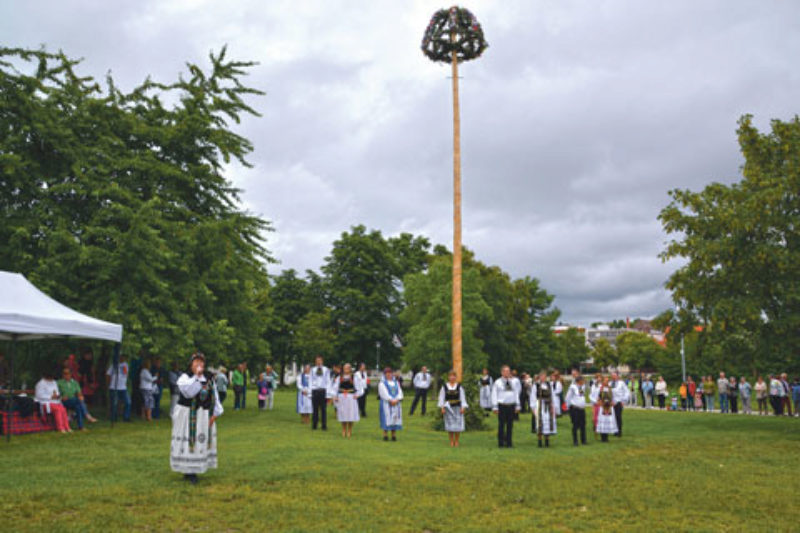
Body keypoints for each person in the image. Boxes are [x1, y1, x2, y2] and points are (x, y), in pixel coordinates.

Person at [170, 353, 223, 484]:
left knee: (200, 442)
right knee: (187, 441)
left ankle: (194, 468)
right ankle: (189, 471)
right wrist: (198, 377)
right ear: (191, 364)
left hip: (203, 415)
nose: (199, 364)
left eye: (201, 362)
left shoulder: (210, 378)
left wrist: (215, 414)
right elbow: (189, 392)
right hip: (187, 415)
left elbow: (214, 396)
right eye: (196, 362)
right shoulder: (185, 377)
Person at [491, 365, 520, 448]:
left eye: (508, 371)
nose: (507, 373)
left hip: (511, 405)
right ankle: (501, 442)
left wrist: (517, 405)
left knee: (510, 425)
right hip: (502, 405)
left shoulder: (513, 382)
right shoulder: (498, 382)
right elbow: (494, 394)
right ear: (502, 372)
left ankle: (509, 442)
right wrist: (495, 407)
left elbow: (516, 393)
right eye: (505, 371)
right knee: (501, 425)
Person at [330, 363, 363, 438]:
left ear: (350, 369)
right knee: (343, 414)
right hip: (342, 397)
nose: (346, 370)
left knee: (350, 414)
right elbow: (335, 388)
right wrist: (335, 396)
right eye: (345, 368)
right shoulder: (339, 377)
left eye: (348, 368)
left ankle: (350, 430)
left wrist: (357, 395)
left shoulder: (354, 377)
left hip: (351, 397)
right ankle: (344, 429)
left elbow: (359, 388)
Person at [438, 370, 468, 447]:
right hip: (448, 408)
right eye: (450, 376)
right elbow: (441, 398)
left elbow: (462, 397)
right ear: (448, 377)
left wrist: (463, 407)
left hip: (457, 407)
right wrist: (442, 407)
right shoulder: (444, 387)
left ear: (456, 377)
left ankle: (457, 441)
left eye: (453, 376)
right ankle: (451, 441)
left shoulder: (459, 387)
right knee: (450, 424)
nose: (452, 377)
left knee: (457, 424)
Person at [531, 371, 557, 448]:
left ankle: (547, 441)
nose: (543, 378)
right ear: (539, 377)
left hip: (548, 405)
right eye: (542, 376)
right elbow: (532, 396)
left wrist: (553, 406)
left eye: (544, 377)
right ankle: (539, 441)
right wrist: (533, 407)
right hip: (539, 405)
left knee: (548, 422)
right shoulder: (536, 385)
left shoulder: (549, 385)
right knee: (539, 423)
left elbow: (552, 395)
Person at [378, 367, 403, 441]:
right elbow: (383, 393)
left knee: (395, 418)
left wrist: (397, 399)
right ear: (385, 374)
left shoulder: (396, 383)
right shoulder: (382, 383)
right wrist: (390, 400)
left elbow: (400, 392)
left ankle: (393, 435)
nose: (389, 375)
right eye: (387, 373)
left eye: (390, 373)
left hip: (396, 403)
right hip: (387, 404)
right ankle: (385, 434)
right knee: (387, 418)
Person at [592, 376, 617, 442]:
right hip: (602, 407)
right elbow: (595, 396)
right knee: (602, 422)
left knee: (607, 422)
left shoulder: (610, 388)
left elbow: (613, 396)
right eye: (605, 381)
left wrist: (613, 402)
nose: (607, 382)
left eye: (608, 381)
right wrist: (598, 401)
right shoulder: (599, 388)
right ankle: (602, 437)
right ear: (603, 381)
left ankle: (606, 437)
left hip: (609, 407)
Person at [310, 356, 332, 430]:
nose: (318, 362)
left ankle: (324, 425)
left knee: (323, 409)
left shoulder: (326, 370)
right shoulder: (313, 370)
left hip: (323, 391)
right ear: (315, 362)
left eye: (320, 361)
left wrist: (328, 394)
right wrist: (310, 392)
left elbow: (328, 381)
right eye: (317, 361)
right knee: (315, 409)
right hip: (315, 390)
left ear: (322, 361)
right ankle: (314, 425)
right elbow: (310, 381)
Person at [106, 354, 131, 422]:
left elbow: (126, 374)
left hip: (123, 387)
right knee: (114, 403)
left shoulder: (126, 365)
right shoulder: (113, 365)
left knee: (128, 402)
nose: (122, 358)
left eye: (123, 357)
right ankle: (114, 417)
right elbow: (108, 375)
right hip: (114, 387)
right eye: (121, 357)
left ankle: (126, 417)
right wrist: (109, 384)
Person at [566, 374, 587, 446]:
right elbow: (568, 397)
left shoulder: (583, 387)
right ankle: (575, 441)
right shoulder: (573, 387)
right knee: (575, 425)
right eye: (583, 380)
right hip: (575, 408)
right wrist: (569, 407)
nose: (584, 381)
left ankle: (583, 440)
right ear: (579, 381)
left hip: (582, 409)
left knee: (583, 425)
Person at [610, 372, 630, 437]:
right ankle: (614, 431)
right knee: (613, 417)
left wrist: (623, 400)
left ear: (617, 376)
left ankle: (619, 431)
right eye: (612, 376)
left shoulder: (621, 383)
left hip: (619, 402)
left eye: (615, 376)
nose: (613, 377)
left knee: (618, 417)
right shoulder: (610, 383)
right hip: (612, 403)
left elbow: (626, 392)